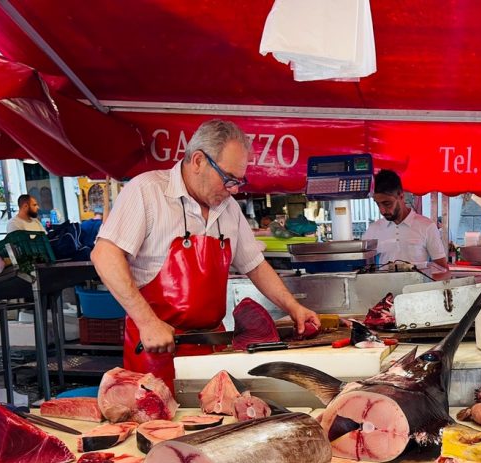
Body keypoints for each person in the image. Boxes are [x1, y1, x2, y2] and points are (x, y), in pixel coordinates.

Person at [91, 119, 319, 389]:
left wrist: (293, 307)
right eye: (228, 180)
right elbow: (104, 254)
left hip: (212, 348)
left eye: (238, 181)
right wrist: (147, 322)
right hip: (156, 351)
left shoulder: (229, 208)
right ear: (198, 160)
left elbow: (255, 265)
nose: (234, 189)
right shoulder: (148, 191)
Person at [363, 169, 448, 268]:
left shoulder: (427, 226)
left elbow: (442, 269)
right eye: (378, 204)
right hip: (384, 283)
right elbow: (364, 266)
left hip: (417, 283)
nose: (382, 210)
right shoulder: (373, 229)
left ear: (401, 196)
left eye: (387, 204)